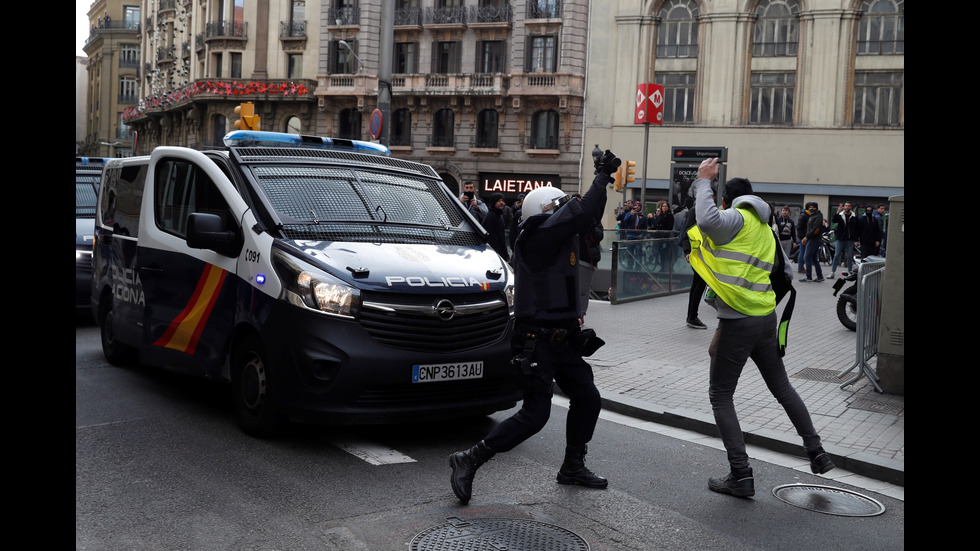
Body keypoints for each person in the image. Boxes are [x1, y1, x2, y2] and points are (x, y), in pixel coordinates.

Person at [449, 150, 620, 504]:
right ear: (545, 214)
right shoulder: (539, 237)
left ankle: (572, 466)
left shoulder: (556, 238)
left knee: (587, 398)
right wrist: (602, 175)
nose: (564, 212)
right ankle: (469, 458)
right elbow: (583, 212)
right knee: (535, 415)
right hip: (537, 342)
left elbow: (587, 218)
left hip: (563, 340)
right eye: (557, 207)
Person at [687, 158, 834, 498]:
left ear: (729, 200)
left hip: (738, 322)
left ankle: (741, 474)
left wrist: (702, 181)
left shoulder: (736, 218)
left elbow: (706, 220)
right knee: (782, 388)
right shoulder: (765, 228)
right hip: (765, 317)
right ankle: (817, 451)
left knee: (720, 395)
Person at [679, 196, 708, 330]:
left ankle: (692, 316)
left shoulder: (706, 211)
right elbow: (688, 233)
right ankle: (692, 316)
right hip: (697, 254)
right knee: (699, 283)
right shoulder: (695, 212)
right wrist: (687, 252)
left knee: (698, 283)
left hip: (701, 254)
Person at [829, 202, 859, 279]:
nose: (847, 207)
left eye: (849, 206)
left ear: (851, 207)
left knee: (849, 256)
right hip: (840, 239)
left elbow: (856, 229)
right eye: (846, 206)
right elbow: (834, 221)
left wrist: (856, 240)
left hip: (850, 239)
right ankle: (832, 272)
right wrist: (837, 212)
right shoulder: (840, 215)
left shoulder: (854, 217)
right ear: (844, 207)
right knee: (836, 255)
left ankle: (850, 271)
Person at [799, 202, 825, 282]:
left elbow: (815, 229)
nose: (811, 208)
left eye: (813, 207)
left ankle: (808, 276)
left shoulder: (818, 216)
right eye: (810, 207)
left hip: (814, 239)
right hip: (812, 239)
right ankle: (820, 276)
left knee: (806, 257)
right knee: (814, 258)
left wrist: (806, 237)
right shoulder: (812, 216)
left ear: (816, 208)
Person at [482, 192, 510, 261]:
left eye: (502, 200)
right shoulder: (491, 217)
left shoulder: (498, 215)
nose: (501, 203)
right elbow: (493, 239)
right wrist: (500, 254)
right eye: (498, 201)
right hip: (495, 254)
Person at [650, 200, 674, 271]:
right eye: (663, 206)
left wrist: (664, 234)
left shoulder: (669, 216)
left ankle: (666, 267)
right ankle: (662, 266)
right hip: (658, 237)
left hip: (665, 237)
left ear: (668, 208)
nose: (664, 208)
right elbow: (656, 225)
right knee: (659, 253)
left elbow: (669, 227)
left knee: (665, 253)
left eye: (666, 206)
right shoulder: (659, 216)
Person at [795, 205, 810, 274]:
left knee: (803, 252)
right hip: (803, 237)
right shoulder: (804, 215)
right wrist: (802, 237)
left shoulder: (806, 215)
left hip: (805, 237)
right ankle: (801, 267)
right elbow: (799, 227)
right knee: (802, 252)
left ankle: (801, 267)